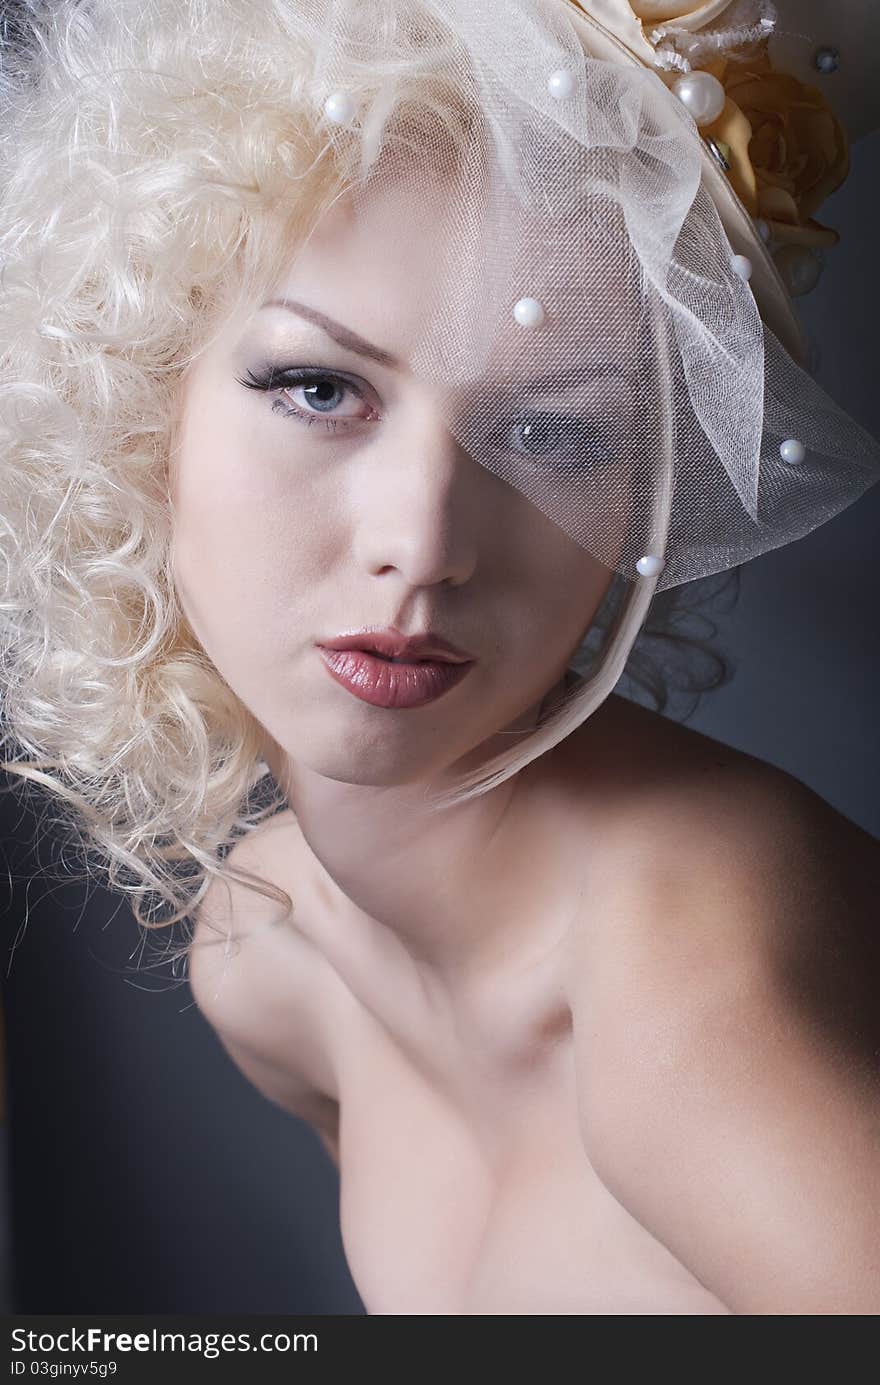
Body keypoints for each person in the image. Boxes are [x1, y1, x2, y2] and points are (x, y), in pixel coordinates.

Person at [1, 0, 878, 1314]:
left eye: (550, 430)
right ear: (140, 399)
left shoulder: (692, 990)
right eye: (318, 388)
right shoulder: (273, 958)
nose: (423, 545)